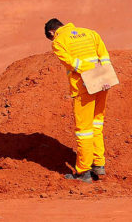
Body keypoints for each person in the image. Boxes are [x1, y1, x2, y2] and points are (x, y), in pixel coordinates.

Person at [45, 18, 112, 182]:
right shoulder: (90, 33)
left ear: (52, 32)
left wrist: (91, 74)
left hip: (85, 85)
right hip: (103, 82)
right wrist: (103, 75)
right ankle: (99, 165)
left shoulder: (59, 41)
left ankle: (83, 172)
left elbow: (71, 63)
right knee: (97, 124)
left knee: (84, 130)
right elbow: (104, 56)